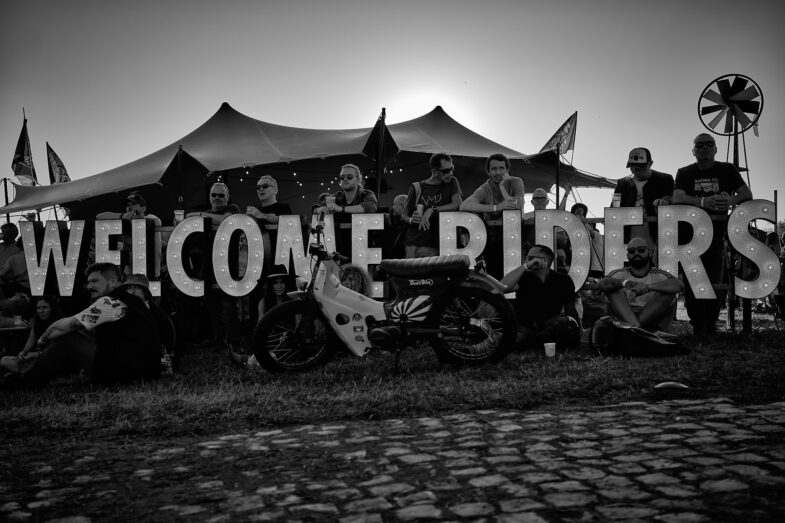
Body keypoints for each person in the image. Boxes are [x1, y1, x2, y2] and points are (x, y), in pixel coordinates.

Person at [4, 263, 161, 388]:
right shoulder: (132, 302)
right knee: (81, 335)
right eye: (88, 282)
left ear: (113, 281)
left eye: (95, 281)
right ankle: (29, 368)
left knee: (68, 339)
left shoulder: (111, 303)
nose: (89, 286)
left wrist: (42, 340)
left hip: (126, 372)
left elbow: (67, 325)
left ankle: (26, 380)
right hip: (141, 370)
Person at [673, 133, 752, 335]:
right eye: (699, 145)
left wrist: (730, 202)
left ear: (716, 149)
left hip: (717, 236)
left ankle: (711, 323)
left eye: (709, 144)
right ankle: (699, 325)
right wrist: (702, 202)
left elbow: (746, 194)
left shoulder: (727, 169)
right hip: (689, 236)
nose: (705, 148)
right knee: (693, 282)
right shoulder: (684, 172)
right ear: (693, 151)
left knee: (715, 280)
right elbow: (677, 197)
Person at [187, 182, 241, 351]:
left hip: (227, 269)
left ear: (227, 197)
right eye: (214, 195)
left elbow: (227, 220)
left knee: (230, 309)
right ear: (209, 197)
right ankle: (219, 342)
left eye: (221, 195)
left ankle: (234, 343)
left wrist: (199, 216)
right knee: (213, 309)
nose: (217, 198)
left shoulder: (233, 209)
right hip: (208, 269)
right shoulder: (207, 214)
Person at [500, 244, 580, 351]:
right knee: (517, 339)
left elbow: (570, 309)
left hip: (549, 326)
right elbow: (503, 288)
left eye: (530, 258)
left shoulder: (562, 279)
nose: (526, 261)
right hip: (524, 326)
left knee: (562, 323)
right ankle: (536, 341)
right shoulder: (524, 277)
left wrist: (576, 330)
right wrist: (525, 266)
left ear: (545, 261)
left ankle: (537, 341)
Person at [598, 237, 683, 332]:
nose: (636, 253)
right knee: (612, 289)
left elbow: (678, 285)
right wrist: (626, 283)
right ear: (627, 255)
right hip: (625, 316)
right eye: (631, 251)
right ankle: (638, 329)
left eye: (641, 250)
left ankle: (636, 329)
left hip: (651, 317)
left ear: (650, 253)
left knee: (669, 291)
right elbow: (602, 283)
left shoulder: (658, 274)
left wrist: (648, 287)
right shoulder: (621, 273)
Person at [460, 153, 525, 278]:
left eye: (501, 168)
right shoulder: (485, 188)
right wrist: (496, 207)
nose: (498, 172)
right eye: (494, 169)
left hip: (513, 235)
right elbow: (465, 205)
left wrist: (502, 187)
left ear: (507, 170)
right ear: (488, 172)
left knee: (514, 274)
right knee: (494, 275)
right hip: (491, 237)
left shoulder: (516, 182)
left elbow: (517, 207)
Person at [401, 153, 463, 258]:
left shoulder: (452, 182)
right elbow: (403, 216)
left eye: (452, 168)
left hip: (436, 244)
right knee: (413, 274)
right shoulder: (417, 187)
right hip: (413, 244)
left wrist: (433, 209)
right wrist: (412, 220)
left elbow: (457, 204)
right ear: (434, 171)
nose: (451, 173)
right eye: (446, 171)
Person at [611, 147, 673, 244]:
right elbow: (614, 207)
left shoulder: (665, 179)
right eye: (632, 168)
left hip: (658, 235)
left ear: (650, 164)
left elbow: (672, 197)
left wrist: (665, 200)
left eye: (640, 168)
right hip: (629, 236)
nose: (636, 171)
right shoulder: (621, 183)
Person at [313, 164, 378, 255]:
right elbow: (317, 207)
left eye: (349, 177)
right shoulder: (337, 196)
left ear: (358, 179)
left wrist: (341, 209)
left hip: (363, 253)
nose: (345, 179)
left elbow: (370, 207)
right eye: (342, 177)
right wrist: (318, 210)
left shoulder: (367, 194)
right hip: (339, 253)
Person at [97, 191, 163, 277]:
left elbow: (155, 222)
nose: (129, 207)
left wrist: (136, 217)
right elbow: (99, 216)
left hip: (149, 273)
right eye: (128, 205)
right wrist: (122, 216)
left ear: (143, 208)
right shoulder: (125, 223)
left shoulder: (152, 219)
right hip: (129, 273)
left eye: (133, 204)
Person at [119, 273, 175, 375]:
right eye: (129, 288)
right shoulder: (127, 308)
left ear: (145, 292)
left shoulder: (155, 314)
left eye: (136, 288)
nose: (131, 291)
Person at [0, 296, 63, 376]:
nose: (41, 311)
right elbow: (30, 342)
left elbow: (55, 352)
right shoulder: (37, 322)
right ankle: (24, 371)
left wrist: (34, 354)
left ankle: (23, 373)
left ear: (52, 308)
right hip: (35, 357)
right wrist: (22, 354)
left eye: (45, 307)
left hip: (50, 358)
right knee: (4, 360)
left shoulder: (59, 324)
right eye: (39, 308)